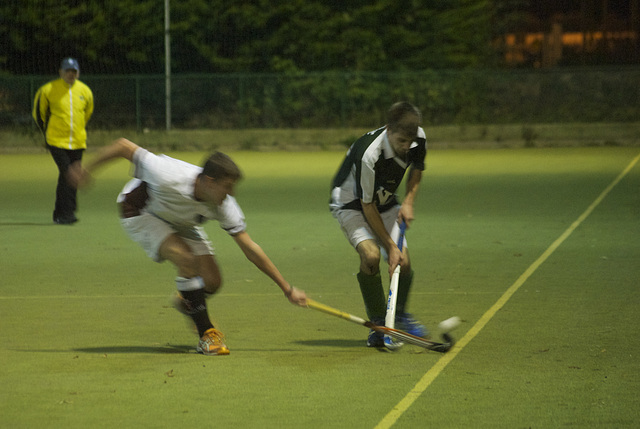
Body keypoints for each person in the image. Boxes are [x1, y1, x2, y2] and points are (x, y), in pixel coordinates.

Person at [68, 138, 308, 355]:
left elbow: (249, 248)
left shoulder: (224, 204)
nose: (231, 193)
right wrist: (85, 170)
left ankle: (188, 301)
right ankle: (207, 335)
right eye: (227, 186)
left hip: (180, 221)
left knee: (212, 282)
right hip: (140, 212)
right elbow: (123, 146)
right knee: (186, 259)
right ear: (209, 181)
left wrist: (286, 288)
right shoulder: (167, 174)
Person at [329, 101, 428, 348]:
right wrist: (389, 246)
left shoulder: (417, 138)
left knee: (403, 263)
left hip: (383, 200)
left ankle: (400, 315)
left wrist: (408, 201)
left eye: (410, 142)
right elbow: (367, 205)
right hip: (352, 202)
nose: (407, 147)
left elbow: (417, 168)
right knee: (372, 257)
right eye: (401, 142)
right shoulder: (369, 155)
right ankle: (378, 323)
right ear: (388, 129)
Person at [32, 57, 94, 224]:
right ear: (61, 72)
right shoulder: (48, 90)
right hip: (56, 140)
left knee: (72, 176)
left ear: (78, 73)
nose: (70, 74)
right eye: (67, 71)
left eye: (74, 71)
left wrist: (78, 129)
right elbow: (39, 114)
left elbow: (87, 113)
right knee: (68, 173)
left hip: (77, 141)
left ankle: (62, 212)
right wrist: (47, 132)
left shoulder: (85, 91)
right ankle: (66, 214)